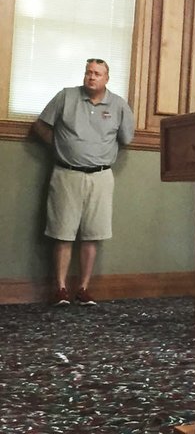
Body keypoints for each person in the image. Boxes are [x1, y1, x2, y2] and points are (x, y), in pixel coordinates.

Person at [32, 58, 135, 306]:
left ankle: (84, 288)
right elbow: (40, 126)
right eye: (88, 72)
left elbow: (126, 139)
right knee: (62, 232)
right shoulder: (66, 97)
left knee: (92, 234)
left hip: (100, 177)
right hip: (66, 174)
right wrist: (59, 148)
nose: (91, 77)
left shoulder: (119, 105)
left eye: (98, 73)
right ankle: (61, 289)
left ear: (106, 79)